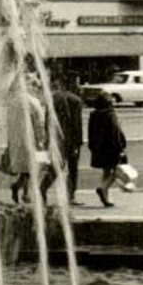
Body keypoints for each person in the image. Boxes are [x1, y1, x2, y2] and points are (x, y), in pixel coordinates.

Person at [86, 93, 127, 208]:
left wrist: (92, 146)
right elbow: (115, 133)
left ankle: (106, 197)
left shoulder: (93, 114)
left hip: (99, 147)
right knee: (116, 171)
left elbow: (90, 132)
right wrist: (120, 148)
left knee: (106, 171)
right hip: (111, 147)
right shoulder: (111, 115)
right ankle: (103, 188)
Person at [50, 74, 85, 205]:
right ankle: (70, 196)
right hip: (71, 140)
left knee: (57, 165)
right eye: (77, 82)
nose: (79, 85)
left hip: (56, 138)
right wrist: (78, 143)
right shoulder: (75, 101)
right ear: (72, 84)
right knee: (73, 168)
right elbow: (77, 124)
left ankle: (42, 187)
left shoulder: (54, 98)